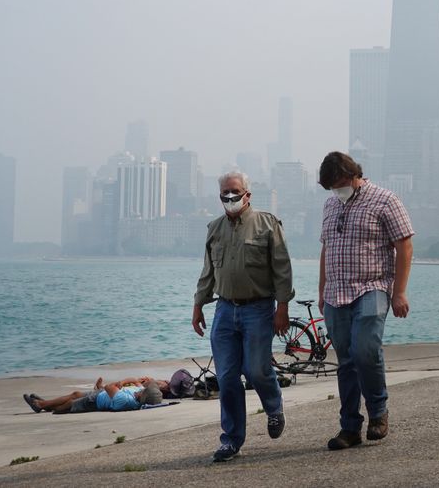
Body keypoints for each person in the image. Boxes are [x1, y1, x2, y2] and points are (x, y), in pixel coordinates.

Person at [192, 170, 294, 463]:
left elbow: (282, 269)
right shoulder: (214, 228)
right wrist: (199, 304)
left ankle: (273, 408)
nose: (230, 197)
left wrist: (282, 307)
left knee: (257, 369)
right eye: (225, 193)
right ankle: (232, 440)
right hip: (224, 310)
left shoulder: (267, 224)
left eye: (235, 192)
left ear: (247, 194)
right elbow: (208, 272)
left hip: (258, 309)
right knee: (226, 376)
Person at [317, 151, 414, 451]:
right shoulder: (331, 204)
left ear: (353, 175)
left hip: (372, 287)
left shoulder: (385, 200)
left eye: (340, 183)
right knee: (345, 361)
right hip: (336, 292)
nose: (337, 189)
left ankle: (378, 412)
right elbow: (326, 248)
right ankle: (349, 427)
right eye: (331, 186)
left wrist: (399, 292)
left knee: (365, 350)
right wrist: (321, 289)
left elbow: (405, 244)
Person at [23, 376, 163, 414]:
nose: (142, 389)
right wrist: (123, 382)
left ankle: (43, 406)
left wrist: (118, 383)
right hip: (100, 394)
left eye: (144, 390)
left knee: (68, 406)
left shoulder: (126, 401)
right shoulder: (136, 394)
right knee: (75, 394)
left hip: (95, 401)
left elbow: (110, 387)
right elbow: (135, 380)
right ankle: (44, 404)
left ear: (143, 396)